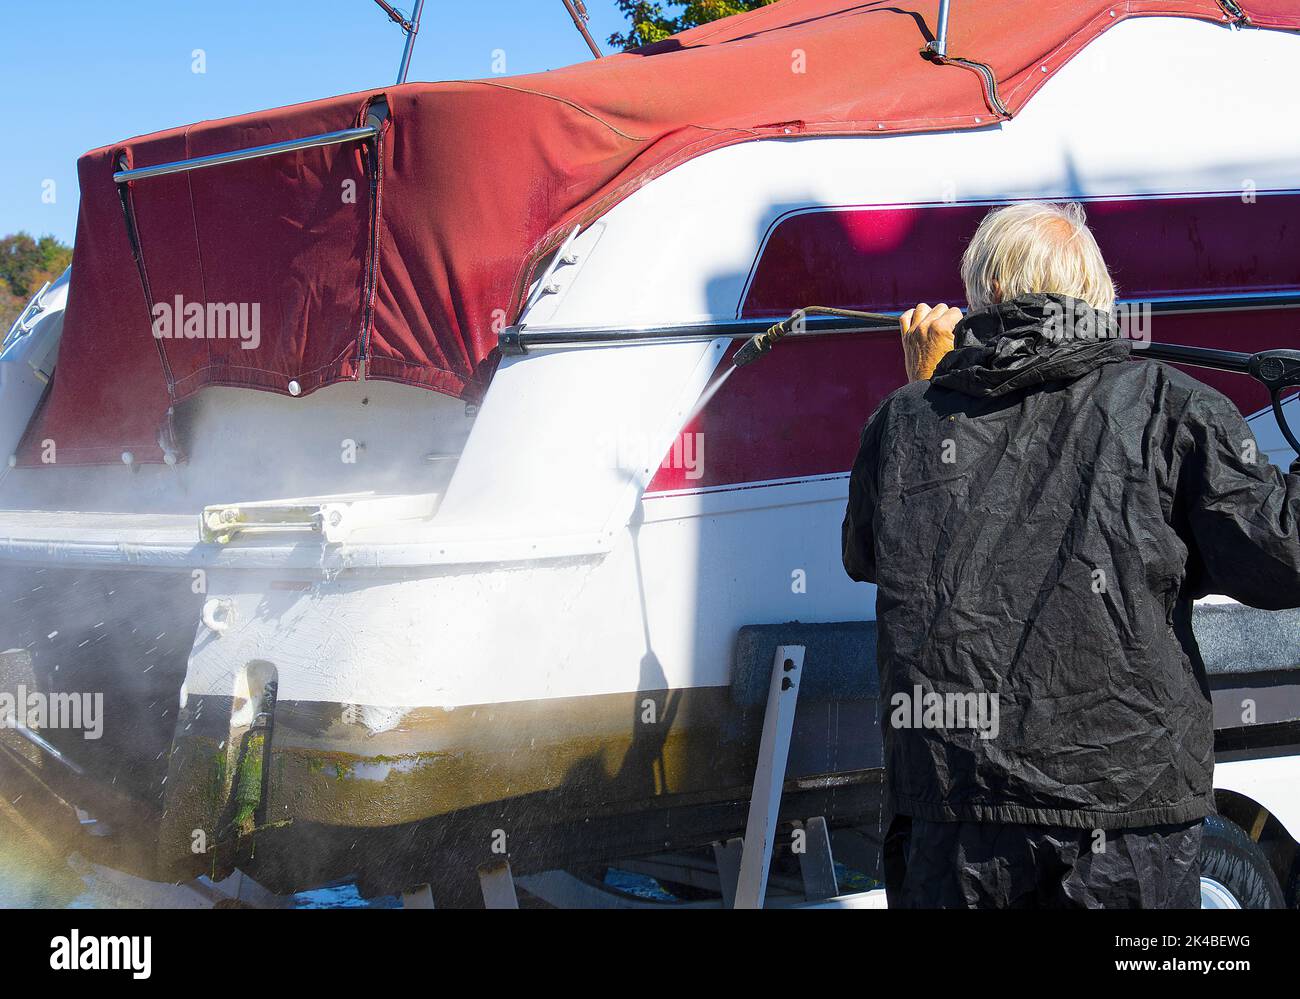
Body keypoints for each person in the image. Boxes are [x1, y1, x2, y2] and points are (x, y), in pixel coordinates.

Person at [841, 201, 1300, 908]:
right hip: (1124, 824)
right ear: (1098, 295)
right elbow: (1284, 553)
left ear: (979, 292)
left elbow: (869, 553)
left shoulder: (903, 420)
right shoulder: (1169, 409)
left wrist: (923, 388)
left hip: (954, 818)